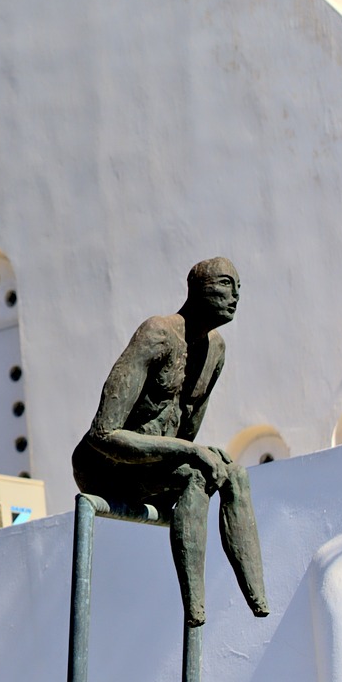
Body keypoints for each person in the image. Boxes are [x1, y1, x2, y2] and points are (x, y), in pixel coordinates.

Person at [72, 257, 268, 627]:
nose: (235, 296)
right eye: (226, 285)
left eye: (239, 288)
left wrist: (202, 452)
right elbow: (103, 434)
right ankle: (195, 606)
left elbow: (185, 433)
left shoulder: (215, 352)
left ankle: (258, 598)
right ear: (197, 290)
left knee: (233, 474)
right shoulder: (157, 334)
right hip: (104, 467)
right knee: (192, 475)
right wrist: (191, 452)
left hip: (150, 463)